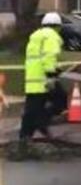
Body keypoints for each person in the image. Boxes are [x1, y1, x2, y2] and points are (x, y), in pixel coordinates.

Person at [20, 12, 67, 140]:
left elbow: (36, 59)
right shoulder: (52, 36)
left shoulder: (35, 37)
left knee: (31, 110)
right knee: (61, 101)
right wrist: (51, 74)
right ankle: (41, 122)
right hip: (45, 79)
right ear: (57, 26)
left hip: (32, 80)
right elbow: (49, 56)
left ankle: (24, 138)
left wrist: (55, 68)